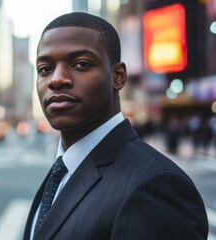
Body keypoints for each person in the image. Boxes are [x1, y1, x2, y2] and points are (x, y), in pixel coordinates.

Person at [23, 12, 208, 240]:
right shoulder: (61, 171)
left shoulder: (155, 185)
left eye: (81, 64)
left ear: (117, 76)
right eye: (44, 69)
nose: (56, 79)